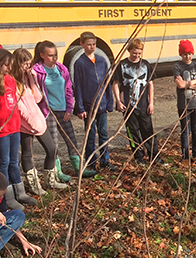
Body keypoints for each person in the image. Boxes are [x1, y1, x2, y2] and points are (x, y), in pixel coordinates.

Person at [32, 40, 96, 181]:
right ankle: (57, 171)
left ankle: (79, 168)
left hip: (63, 110)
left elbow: (68, 89)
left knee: (71, 139)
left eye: (55, 55)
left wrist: (69, 108)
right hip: (48, 112)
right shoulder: (37, 71)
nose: (54, 58)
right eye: (50, 55)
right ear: (42, 55)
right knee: (53, 143)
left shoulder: (61, 69)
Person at [11, 48, 66, 195]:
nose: (28, 67)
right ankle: (34, 184)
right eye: (25, 64)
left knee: (52, 149)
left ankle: (50, 180)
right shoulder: (14, 82)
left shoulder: (27, 79)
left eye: (30, 64)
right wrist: (30, 122)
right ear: (18, 64)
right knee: (28, 154)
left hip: (38, 120)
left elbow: (38, 98)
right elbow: (20, 107)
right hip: (24, 124)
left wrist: (32, 79)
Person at [112, 38, 163, 166]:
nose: (137, 56)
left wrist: (151, 102)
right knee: (133, 132)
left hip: (143, 105)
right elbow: (116, 84)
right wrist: (118, 101)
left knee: (148, 131)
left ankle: (154, 156)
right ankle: (139, 157)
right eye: (134, 53)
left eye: (139, 53)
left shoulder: (145, 65)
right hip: (128, 105)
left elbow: (150, 84)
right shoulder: (122, 65)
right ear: (129, 51)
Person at [73, 31, 118, 172]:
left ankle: (105, 160)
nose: (92, 47)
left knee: (103, 133)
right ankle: (91, 162)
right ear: (82, 45)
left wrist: (109, 102)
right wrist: (80, 107)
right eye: (88, 45)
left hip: (102, 104)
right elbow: (78, 86)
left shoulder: (101, 61)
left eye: (94, 44)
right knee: (90, 134)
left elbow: (106, 83)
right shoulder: (79, 63)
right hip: (88, 106)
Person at [0, 49, 37, 210]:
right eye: (5, 65)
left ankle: (19, 192)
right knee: (4, 162)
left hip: (14, 127)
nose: (8, 68)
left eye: (10, 65)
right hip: (2, 130)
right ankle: (6, 197)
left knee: (15, 161)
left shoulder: (11, 80)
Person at [0, 172, 42, 258]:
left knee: (18, 215)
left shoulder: (1, 197)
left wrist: (24, 240)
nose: (1, 198)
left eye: (2, 195)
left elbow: (6, 219)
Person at [173, 39, 196, 162]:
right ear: (181, 54)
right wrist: (194, 82)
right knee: (185, 131)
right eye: (185, 54)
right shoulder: (177, 67)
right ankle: (185, 156)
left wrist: (187, 84)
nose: (188, 56)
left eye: (189, 53)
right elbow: (179, 85)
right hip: (183, 105)